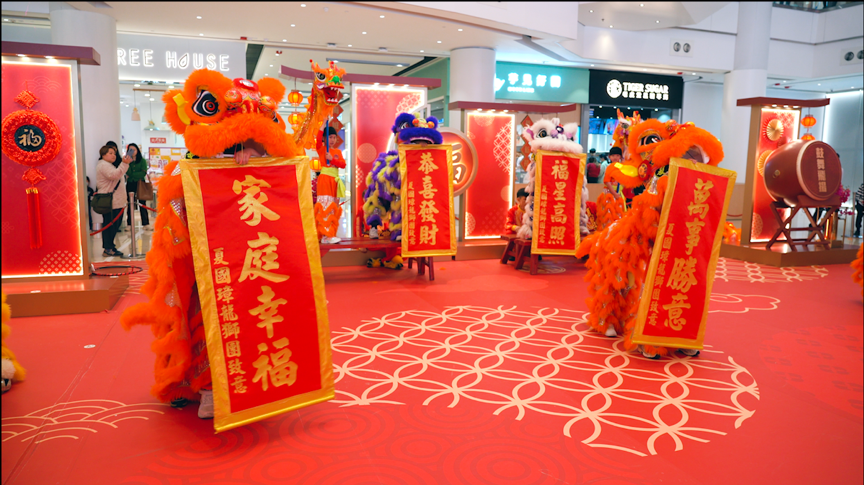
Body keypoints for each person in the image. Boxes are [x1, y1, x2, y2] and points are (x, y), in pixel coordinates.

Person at [95, 145, 130, 257]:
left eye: (114, 153)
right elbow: (114, 175)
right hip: (110, 201)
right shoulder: (103, 165)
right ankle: (108, 248)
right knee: (110, 225)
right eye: (110, 153)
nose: (113, 155)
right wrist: (124, 163)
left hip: (115, 201)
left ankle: (110, 246)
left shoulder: (108, 165)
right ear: (103, 155)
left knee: (114, 225)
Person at [315, 125, 346, 244]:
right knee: (325, 206)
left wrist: (332, 159)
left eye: (334, 137)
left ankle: (330, 234)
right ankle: (325, 235)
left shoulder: (338, 151)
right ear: (324, 138)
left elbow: (343, 165)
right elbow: (318, 140)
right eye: (329, 137)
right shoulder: (321, 149)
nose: (332, 140)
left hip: (335, 182)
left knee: (333, 207)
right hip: (325, 180)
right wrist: (323, 124)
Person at [124, 143, 150, 230]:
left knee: (142, 203)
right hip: (130, 183)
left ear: (137, 150)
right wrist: (128, 162)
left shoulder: (142, 160)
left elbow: (143, 173)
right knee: (130, 204)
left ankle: (145, 223)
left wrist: (132, 175)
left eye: (134, 150)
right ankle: (129, 224)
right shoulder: (127, 161)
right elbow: (128, 172)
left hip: (140, 183)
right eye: (130, 150)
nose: (132, 151)